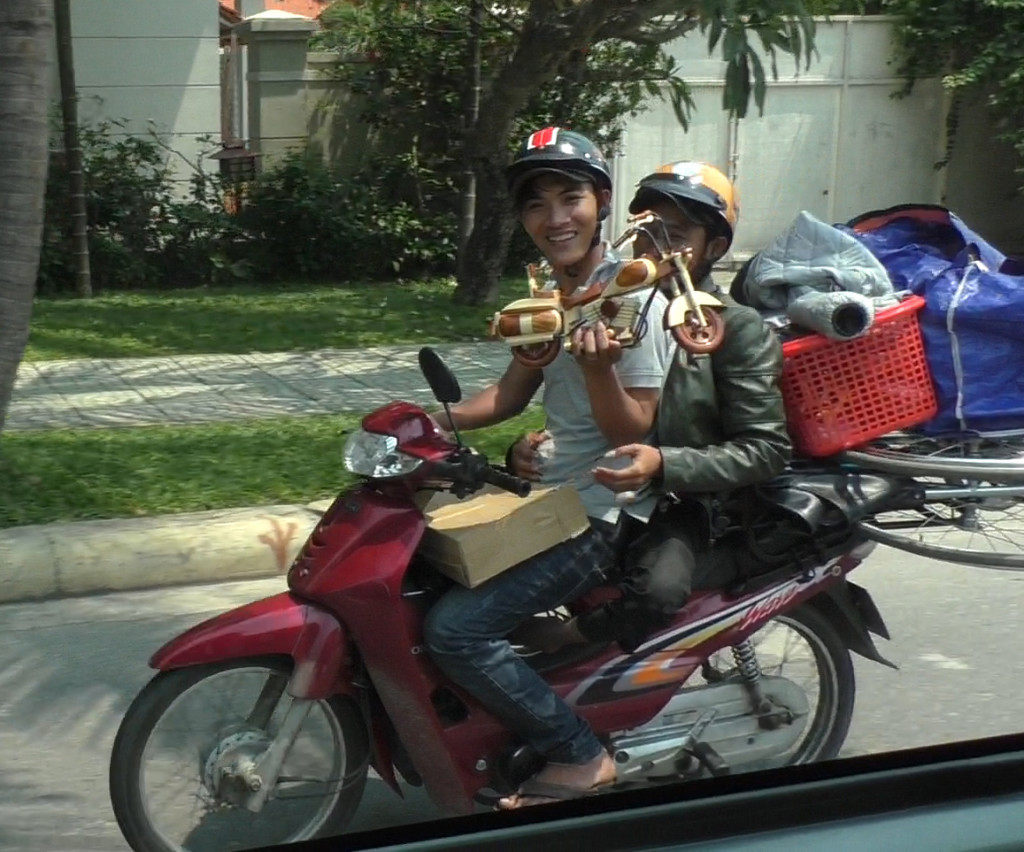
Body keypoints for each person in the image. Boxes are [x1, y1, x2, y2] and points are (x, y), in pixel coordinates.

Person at [422, 127, 673, 809]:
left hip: (603, 515)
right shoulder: (552, 296)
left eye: (571, 198)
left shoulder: (628, 298)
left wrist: (598, 370)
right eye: (538, 205)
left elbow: (635, 425)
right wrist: (425, 421)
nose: (555, 218)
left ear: (601, 202)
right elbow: (508, 394)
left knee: (455, 630)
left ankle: (580, 753)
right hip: (556, 500)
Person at [509, 161, 792, 655]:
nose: (654, 251)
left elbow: (766, 450)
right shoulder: (611, 309)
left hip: (686, 505)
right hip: (601, 490)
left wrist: (665, 464)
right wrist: (529, 447)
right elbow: (578, 404)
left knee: (657, 590)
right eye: (645, 233)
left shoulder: (737, 329)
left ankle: (569, 640)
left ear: (715, 248)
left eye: (675, 235)